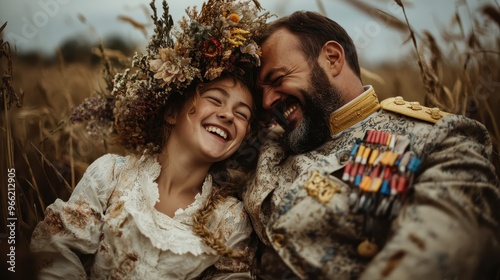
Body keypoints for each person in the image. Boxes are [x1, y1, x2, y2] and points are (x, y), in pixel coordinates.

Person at [243, 11, 500, 280]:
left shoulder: (438, 137)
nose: (267, 101)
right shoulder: (266, 143)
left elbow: (451, 238)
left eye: (277, 79)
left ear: (332, 58)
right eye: (261, 92)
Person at [29, 0, 271, 279]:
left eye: (242, 114)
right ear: (171, 112)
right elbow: (56, 251)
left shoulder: (230, 220)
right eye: (215, 99)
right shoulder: (111, 176)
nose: (228, 115)